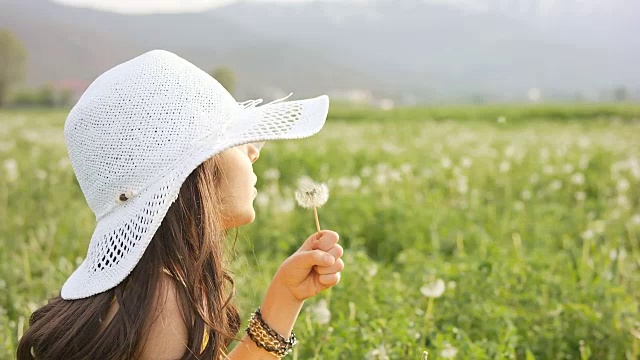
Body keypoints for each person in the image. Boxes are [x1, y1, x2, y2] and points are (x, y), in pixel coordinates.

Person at [16, 49, 344, 360]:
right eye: (236, 140)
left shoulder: (157, 283)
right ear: (195, 172)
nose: (254, 151)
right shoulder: (162, 299)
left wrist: (286, 295)